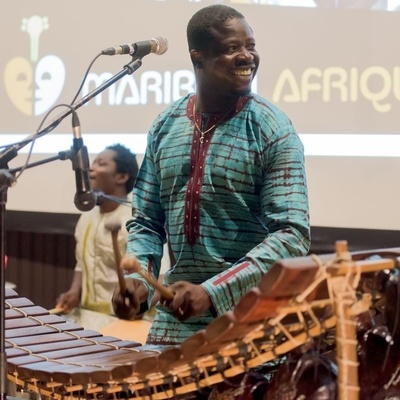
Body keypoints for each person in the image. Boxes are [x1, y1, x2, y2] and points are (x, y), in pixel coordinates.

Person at [112, 4, 311, 346]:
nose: (247, 56)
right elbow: (146, 222)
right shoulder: (164, 127)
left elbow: (291, 236)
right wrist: (140, 283)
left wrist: (213, 291)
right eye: (232, 48)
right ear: (198, 58)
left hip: (252, 327)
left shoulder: (272, 129)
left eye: (251, 45)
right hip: (174, 328)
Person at [56, 143, 139, 315]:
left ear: (122, 177)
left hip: (121, 320)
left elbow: (158, 276)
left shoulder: (136, 221)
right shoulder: (87, 216)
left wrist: (135, 308)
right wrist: (74, 292)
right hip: (86, 315)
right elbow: (82, 263)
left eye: (101, 164)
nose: (90, 168)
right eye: (93, 163)